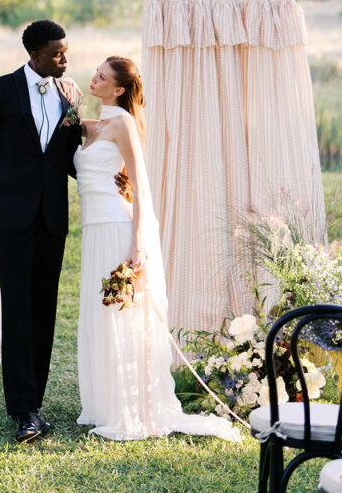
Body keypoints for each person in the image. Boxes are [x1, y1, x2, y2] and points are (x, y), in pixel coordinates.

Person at [75, 55, 238, 441]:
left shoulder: (124, 123)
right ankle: (103, 403)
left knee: (121, 313)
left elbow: (140, 186)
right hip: (94, 231)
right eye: (95, 73)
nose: (93, 78)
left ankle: (132, 406)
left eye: (102, 77)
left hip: (117, 227)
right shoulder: (92, 126)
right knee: (99, 316)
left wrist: (137, 245)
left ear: (117, 89)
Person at [0, 19, 82, 443]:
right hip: (13, 218)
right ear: (34, 54)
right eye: (56, 53)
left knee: (44, 309)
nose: (64, 59)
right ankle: (23, 409)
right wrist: (5, 193)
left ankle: (38, 400)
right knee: (17, 309)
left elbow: (67, 158)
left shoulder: (69, 97)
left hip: (53, 217)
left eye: (65, 51)